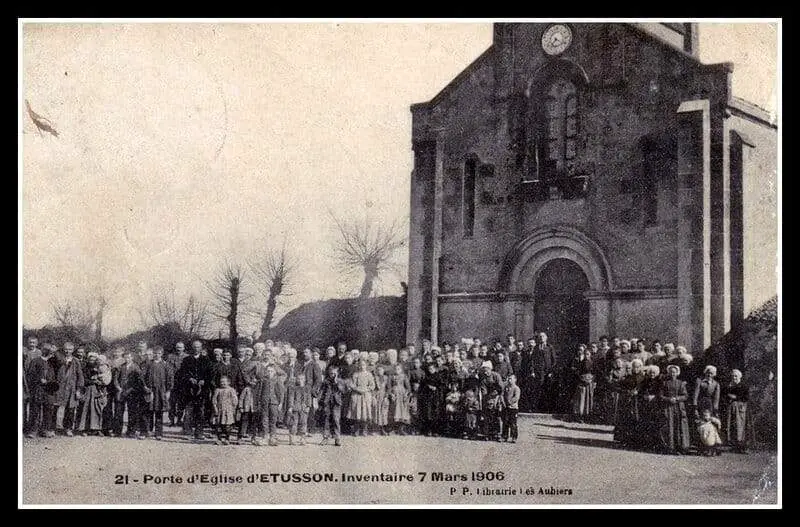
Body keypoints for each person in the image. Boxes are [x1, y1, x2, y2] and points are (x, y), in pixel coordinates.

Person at [176, 340, 210, 441]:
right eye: (195, 347)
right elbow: (183, 373)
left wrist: (204, 380)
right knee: (188, 411)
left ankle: (199, 432)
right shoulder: (187, 359)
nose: (196, 349)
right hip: (189, 389)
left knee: (200, 411)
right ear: (192, 348)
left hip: (201, 390)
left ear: (201, 348)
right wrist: (189, 378)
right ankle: (188, 432)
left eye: (198, 347)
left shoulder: (206, 359)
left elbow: (210, 373)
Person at [26, 343, 61, 438]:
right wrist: (39, 379)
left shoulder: (52, 362)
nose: (47, 351)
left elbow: (60, 363)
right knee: (35, 410)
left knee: (48, 410)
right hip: (38, 389)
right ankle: (33, 430)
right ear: (42, 350)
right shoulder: (35, 361)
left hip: (49, 389)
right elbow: (30, 375)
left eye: (49, 350)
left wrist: (56, 352)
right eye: (45, 349)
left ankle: (45, 430)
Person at [75, 355, 112, 436]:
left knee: (97, 409)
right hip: (88, 391)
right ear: (88, 360)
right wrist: (94, 381)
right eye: (90, 360)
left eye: (94, 360)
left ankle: (96, 428)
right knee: (87, 409)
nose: (92, 362)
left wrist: (99, 382)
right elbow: (84, 380)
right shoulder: (85, 369)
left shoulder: (99, 368)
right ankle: (84, 429)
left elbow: (105, 378)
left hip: (98, 391)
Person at [659, 364, 691, 455]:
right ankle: (670, 447)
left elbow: (685, 396)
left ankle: (681, 447)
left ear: (677, 373)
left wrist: (677, 398)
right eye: (671, 372)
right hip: (668, 408)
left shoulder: (681, 383)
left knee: (679, 425)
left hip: (679, 407)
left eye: (674, 372)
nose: (673, 374)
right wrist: (669, 399)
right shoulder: (665, 383)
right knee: (669, 426)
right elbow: (661, 396)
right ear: (668, 373)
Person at [614, 359, 646, 447]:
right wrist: (627, 391)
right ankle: (626, 439)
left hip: (639, 401)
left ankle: (638, 441)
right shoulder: (628, 377)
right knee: (627, 419)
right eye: (634, 367)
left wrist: (638, 392)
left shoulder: (643, 377)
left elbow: (644, 388)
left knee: (638, 418)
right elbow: (620, 387)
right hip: (628, 400)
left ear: (640, 367)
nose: (636, 368)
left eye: (638, 367)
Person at [143, 346, 172, 440]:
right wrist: (145, 387)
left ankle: (158, 433)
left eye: (159, 353)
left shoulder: (165, 364)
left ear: (162, 354)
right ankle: (146, 431)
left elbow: (170, 378)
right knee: (147, 411)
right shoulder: (148, 364)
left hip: (161, 391)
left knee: (159, 412)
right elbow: (142, 377)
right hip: (150, 391)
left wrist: (168, 391)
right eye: (155, 353)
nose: (156, 355)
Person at [56, 342, 84, 436]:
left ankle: (68, 428)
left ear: (73, 350)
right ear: (63, 349)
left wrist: (78, 390)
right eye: (66, 349)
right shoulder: (59, 359)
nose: (68, 351)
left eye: (70, 349)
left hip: (71, 388)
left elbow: (80, 376)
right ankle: (53, 428)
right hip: (60, 388)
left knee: (70, 409)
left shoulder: (76, 361)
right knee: (56, 407)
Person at [255, 363, 284, 446]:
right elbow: (259, 392)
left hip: (274, 402)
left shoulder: (278, 380)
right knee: (264, 419)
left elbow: (281, 393)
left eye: (271, 371)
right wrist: (258, 402)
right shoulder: (263, 380)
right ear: (266, 372)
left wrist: (281, 403)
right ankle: (265, 436)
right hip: (264, 402)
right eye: (268, 371)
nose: (270, 372)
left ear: (275, 372)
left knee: (273, 420)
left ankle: (273, 437)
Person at [319, 365, 347, 446]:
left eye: (334, 373)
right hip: (327, 402)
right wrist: (320, 400)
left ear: (337, 373)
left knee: (336, 419)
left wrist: (336, 382)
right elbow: (322, 391)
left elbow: (343, 391)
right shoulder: (326, 381)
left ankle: (337, 438)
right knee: (326, 419)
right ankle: (325, 437)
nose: (333, 375)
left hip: (336, 402)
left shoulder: (340, 381)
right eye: (331, 373)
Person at [724, 368, 749, 454]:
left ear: (739, 377)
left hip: (740, 408)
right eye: (732, 376)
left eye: (736, 376)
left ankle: (742, 446)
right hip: (731, 408)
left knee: (740, 426)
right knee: (732, 425)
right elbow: (725, 395)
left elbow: (746, 397)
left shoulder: (743, 386)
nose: (734, 378)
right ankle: (734, 446)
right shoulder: (729, 386)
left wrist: (735, 397)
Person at [348, 360, 375, 436]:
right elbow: (352, 384)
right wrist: (357, 389)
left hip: (366, 395)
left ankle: (364, 430)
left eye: (363, 365)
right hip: (357, 395)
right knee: (357, 412)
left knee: (365, 413)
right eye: (360, 365)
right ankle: (356, 429)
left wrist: (366, 389)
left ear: (366, 366)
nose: (362, 366)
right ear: (358, 366)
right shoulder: (355, 374)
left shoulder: (369, 374)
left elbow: (372, 385)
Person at [569, 345, 594, 423]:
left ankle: (588, 415)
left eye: (588, 354)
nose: (586, 356)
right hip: (582, 383)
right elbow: (578, 372)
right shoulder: (581, 363)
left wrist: (591, 379)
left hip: (589, 383)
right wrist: (582, 378)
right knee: (581, 399)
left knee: (588, 399)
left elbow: (595, 372)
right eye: (585, 354)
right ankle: (580, 416)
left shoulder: (592, 363)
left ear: (590, 355)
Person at [211, 375, 238, 445]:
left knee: (227, 425)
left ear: (228, 382)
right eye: (221, 382)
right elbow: (214, 400)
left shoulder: (231, 390)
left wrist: (233, 408)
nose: (222, 383)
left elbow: (235, 400)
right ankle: (219, 439)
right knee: (218, 425)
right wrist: (215, 408)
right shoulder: (217, 390)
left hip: (228, 410)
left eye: (224, 382)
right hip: (219, 410)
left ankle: (227, 438)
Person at [287, 375, 311, 445]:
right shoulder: (294, 388)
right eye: (299, 379)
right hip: (295, 408)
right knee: (294, 423)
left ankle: (302, 439)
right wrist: (290, 407)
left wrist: (308, 406)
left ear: (304, 380)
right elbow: (291, 398)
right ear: (297, 380)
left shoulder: (307, 389)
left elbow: (309, 398)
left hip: (304, 408)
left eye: (302, 379)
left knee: (303, 423)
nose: (300, 380)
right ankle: (292, 439)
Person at [502, 374, 521, 443]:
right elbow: (503, 395)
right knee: (505, 422)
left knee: (513, 423)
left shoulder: (516, 388)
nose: (509, 380)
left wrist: (510, 402)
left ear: (515, 380)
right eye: (509, 379)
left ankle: (514, 437)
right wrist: (504, 403)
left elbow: (516, 397)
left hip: (513, 408)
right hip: (506, 407)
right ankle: (504, 436)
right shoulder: (506, 387)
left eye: (511, 379)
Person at [372, 365, 390, 435]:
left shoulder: (386, 378)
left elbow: (388, 388)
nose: (380, 371)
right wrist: (373, 397)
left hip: (384, 396)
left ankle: (383, 429)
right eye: (378, 370)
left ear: (383, 371)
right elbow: (373, 388)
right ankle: (376, 429)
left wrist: (386, 397)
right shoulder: (375, 378)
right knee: (376, 412)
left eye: (381, 370)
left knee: (384, 413)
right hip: (377, 396)